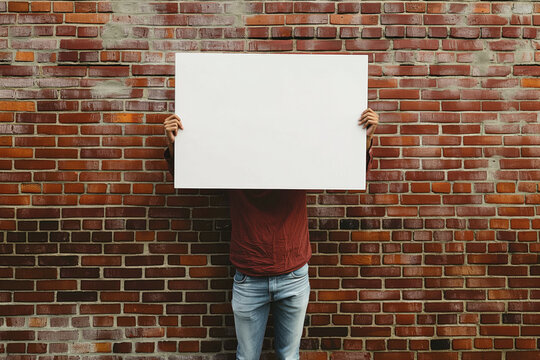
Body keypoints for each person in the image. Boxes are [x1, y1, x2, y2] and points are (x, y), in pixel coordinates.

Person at [163, 109, 378, 360]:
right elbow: (192, 173)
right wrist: (175, 144)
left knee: (288, 356)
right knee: (249, 357)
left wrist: (363, 141)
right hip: (249, 275)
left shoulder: (299, 153)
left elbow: (340, 167)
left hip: (293, 273)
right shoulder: (231, 156)